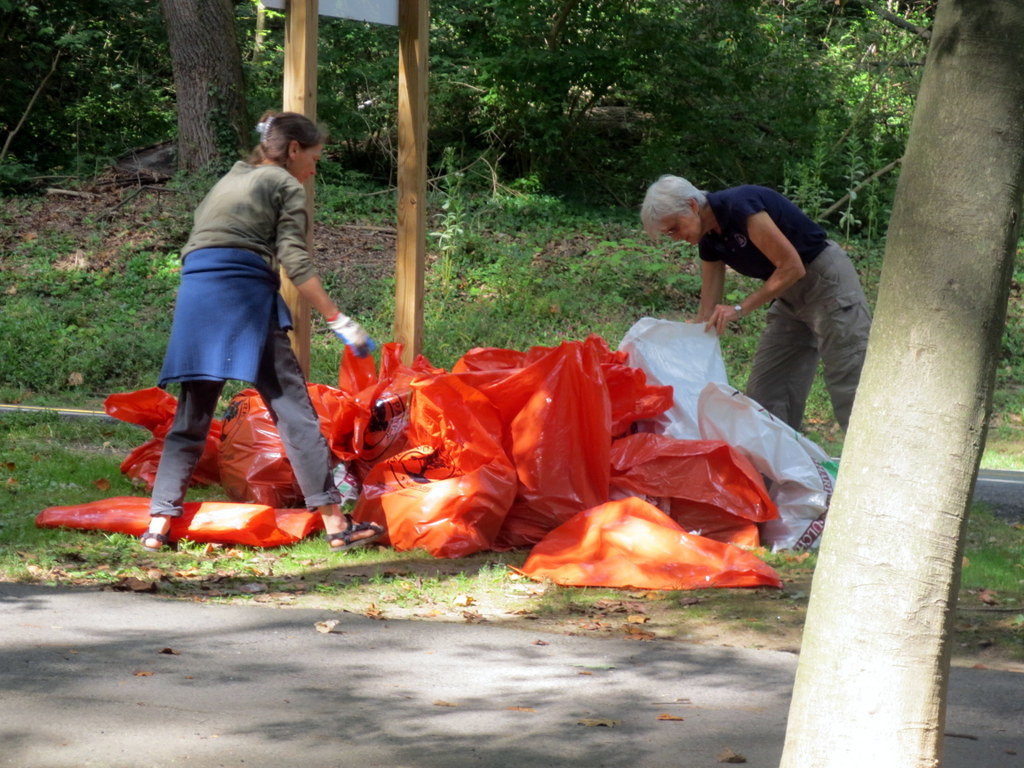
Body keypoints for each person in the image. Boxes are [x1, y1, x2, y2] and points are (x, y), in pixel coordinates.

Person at [140, 111, 384, 553]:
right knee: (293, 411)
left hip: (197, 296)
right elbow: (297, 261)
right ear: (293, 150)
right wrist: (337, 319)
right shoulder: (285, 184)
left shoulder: (230, 179)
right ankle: (336, 525)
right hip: (244, 297)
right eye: (314, 156)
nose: (314, 167)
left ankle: (158, 525)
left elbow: (201, 244)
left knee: (193, 413)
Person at [640, 174, 871, 432]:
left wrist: (740, 308)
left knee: (848, 379)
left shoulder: (740, 207)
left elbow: (792, 266)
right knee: (767, 392)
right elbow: (706, 312)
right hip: (788, 296)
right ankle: (777, 470)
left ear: (692, 206)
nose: (675, 237)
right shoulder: (709, 240)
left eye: (674, 228)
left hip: (826, 282)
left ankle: (869, 465)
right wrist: (676, 350)